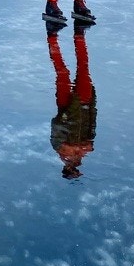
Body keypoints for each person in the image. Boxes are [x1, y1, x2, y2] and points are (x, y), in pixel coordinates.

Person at [47, 23, 97, 179]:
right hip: (84, 104)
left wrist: (73, 145)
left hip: (67, 105)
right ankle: (79, 34)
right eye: (76, 170)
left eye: (73, 170)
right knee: (83, 67)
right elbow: (92, 128)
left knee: (63, 72)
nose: (76, 167)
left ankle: (52, 36)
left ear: (67, 168)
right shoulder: (82, 153)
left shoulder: (59, 148)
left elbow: (55, 125)